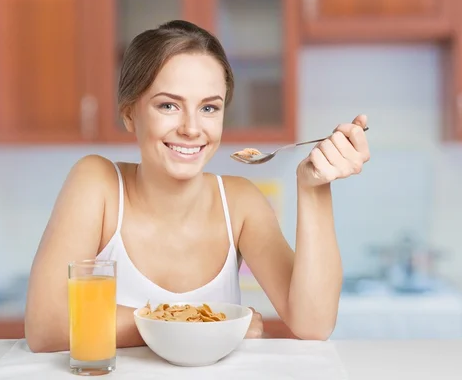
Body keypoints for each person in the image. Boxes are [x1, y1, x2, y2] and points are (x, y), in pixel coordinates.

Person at [24, 20, 370, 352]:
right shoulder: (96, 183)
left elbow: (314, 324)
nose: (191, 128)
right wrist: (200, 322)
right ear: (130, 113)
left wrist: (314, 187)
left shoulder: (240, 203)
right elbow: (46, 326)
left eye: (208, 108)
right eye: (168, 105)